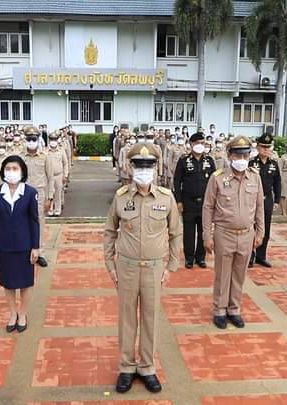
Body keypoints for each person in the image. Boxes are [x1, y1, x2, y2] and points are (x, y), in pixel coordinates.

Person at [103, 143, 182, 394]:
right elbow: (110, 231)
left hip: (154, 268)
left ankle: (147, 367)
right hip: (126, 267)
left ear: (156, 168)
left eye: (148, 166)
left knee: (150, 318)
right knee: (127, 319)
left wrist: (171, 266)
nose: (144, 171)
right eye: (139, 166)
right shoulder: (121, 197)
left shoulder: (166, 198)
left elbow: (175, 233)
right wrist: (110, 264)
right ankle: (127, 366)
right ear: (131, 167)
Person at [202, 136, 264, 329]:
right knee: (223, 274)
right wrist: (207, 236)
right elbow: (208, 207)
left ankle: (234, 309)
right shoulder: (218, 178)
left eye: (245, 155)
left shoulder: (255, 177)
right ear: (229, 156)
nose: (242, 159)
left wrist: (260, 232)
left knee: (239, 274)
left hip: (246, 234)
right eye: (238, 155)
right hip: (224, 233)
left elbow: (260, 207)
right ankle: (220, 310)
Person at [0, 155, 40, 334]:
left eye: (15, 168)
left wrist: (35, 247)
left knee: (26, 282)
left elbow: (34, 221)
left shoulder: (30, 192)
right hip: (4, 245)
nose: (11, 172)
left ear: (22, 171)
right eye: (8, 168)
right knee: (8, 282)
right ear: (3, 171)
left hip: (24, 244)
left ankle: (23, 314)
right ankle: (13, 314)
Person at [173, 132, 216, 269]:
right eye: (197, 143)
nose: (200, 145)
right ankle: (189, 258)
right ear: (191, 144)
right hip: (188, 202)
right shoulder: (184, 161)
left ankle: (201, 258)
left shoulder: (209, 161)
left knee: (204, 231)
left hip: (205, 203)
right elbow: (177, 181)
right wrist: (178, 201)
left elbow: (215, 182)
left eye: (202, 143)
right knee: (189, 232)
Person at [22, 126, 54, 267]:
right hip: (23, 194)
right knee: (23, 223)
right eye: (29, 139)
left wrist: (50, 198)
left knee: (39, 223)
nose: (31, 142)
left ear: (38, 140)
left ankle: (39, 252)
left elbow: (50, 178)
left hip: (39, 194)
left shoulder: (45, 156)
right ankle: (25, 251)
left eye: (34, 139)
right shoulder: (20, 156)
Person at [248, 134, 281, 268]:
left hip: (267, 199)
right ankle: (250, 256)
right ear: (258, 147)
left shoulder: (273, 164)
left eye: (268, 147)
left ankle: (261, 256)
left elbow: (277, 182)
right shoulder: (251, 163)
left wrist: (277, 200)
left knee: (265, 228)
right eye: (263, 147)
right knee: (251, 228)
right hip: (252, 199)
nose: (266, 150)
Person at [46, 131, 70, 217]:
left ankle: (57, 210)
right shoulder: (45, 151)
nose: (53, 141)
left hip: (59, 175)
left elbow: (65, 163)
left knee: (58, 194)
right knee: (49, 194)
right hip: (48, 176)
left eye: (55, 139)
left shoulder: (61, 150)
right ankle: (50, 209)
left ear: (57, 140)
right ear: (49, 140)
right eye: (51, 139)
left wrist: (65, 175)